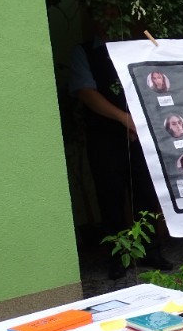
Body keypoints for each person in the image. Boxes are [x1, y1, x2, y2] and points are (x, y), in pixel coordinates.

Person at [70, 37, 172, 279]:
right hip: (104, 137)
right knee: (110, 197)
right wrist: (124, 118)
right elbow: (85, 91)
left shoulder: (136, 46)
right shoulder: (85, 51)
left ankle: (150, 251)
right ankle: (118, 257)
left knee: (146, 193)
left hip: (141, 135)